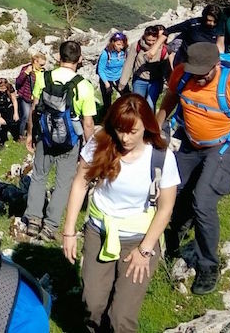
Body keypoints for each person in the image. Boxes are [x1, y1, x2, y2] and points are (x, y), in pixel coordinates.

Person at [156, 42, 230, 295]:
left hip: (223, 146)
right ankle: (174, 237)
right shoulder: (182, 73)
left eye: (203, 73)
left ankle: (208, 264)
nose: (197, 77)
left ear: (216, 65)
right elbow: (170, 98)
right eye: (193, 72)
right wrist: (155, 127)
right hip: (190, 142)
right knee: (173, 191)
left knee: (203, 201)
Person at [62, 94, 180, 333]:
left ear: (147, 125)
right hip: (99, 232)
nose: (125, 138)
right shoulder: (100, 143)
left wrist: (145, 251)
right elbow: (80, 184)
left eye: (133, 131)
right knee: (92, 304)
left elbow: (166, 207)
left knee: (121, 317)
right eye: (120, 130)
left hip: (140, 239)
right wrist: (69, 231)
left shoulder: (161, 156)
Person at [24, 40, 97, 241]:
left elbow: (34, 109)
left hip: (45, 136)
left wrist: (30, 134)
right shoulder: (84, 86)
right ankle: (50, 226)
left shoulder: (44, 77)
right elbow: (88, 123)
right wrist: (90, 149)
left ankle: (33, 220)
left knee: (39, 176)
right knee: (63, 183)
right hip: (70, 140)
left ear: (58, 57)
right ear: (80, 59)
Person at [118, 26, 169, 110]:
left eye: (153, 40)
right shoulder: (137, 46)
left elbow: (166, 68)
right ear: (144, 36)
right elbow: (129, 64)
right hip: (139, 80)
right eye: (148, 40)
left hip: (155, 81)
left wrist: (169, 83)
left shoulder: (163, 49)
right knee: (137, 104)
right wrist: (122, 82)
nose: (151, 43)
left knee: (150, 105)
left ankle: (149, 118)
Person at [15, 54, 45, 140]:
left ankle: (32, 133)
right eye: (41, 64)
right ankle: (20, 135)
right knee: (25, 115)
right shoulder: (26, 69)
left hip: (36, 97)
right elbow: (18, 82)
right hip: (26, 96)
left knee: (34, 116)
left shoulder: (42, 71)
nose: (42, 66)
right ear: (35, 61)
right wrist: (26, 73)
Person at [96, 32, 128, 111]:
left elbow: (125, 65)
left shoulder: (124, 52)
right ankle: (107, 115)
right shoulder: (106, 53)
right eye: (118, 44)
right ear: (113, 43)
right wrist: (107, 84)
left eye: (122, 45)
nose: (121, 47)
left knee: (127, 97)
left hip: (119, 77)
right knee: (107, 103)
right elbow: (100, 70)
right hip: (106, 78)